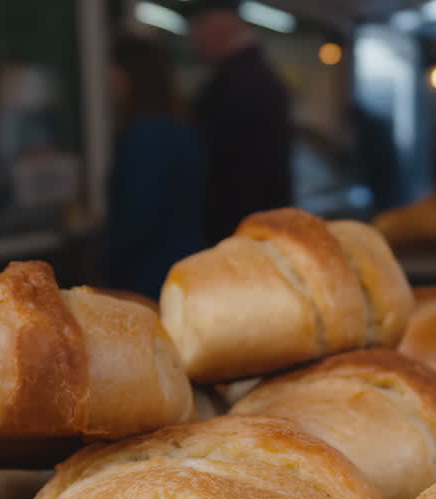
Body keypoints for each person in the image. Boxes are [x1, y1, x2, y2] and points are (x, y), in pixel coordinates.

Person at [103, 33, 204, 299]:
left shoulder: (147, 136)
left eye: (112, 71)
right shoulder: (177, 128)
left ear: (130, 75)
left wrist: (105, 264)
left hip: (150, 276)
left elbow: (139, 216)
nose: (109, 81)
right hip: (181, 268)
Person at [183, 0, 293, 244]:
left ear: (219, 29)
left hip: (239, 232)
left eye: (196, 31)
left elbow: (222, 166)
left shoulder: (237, 84)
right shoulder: (256, 76)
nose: (192, 41)